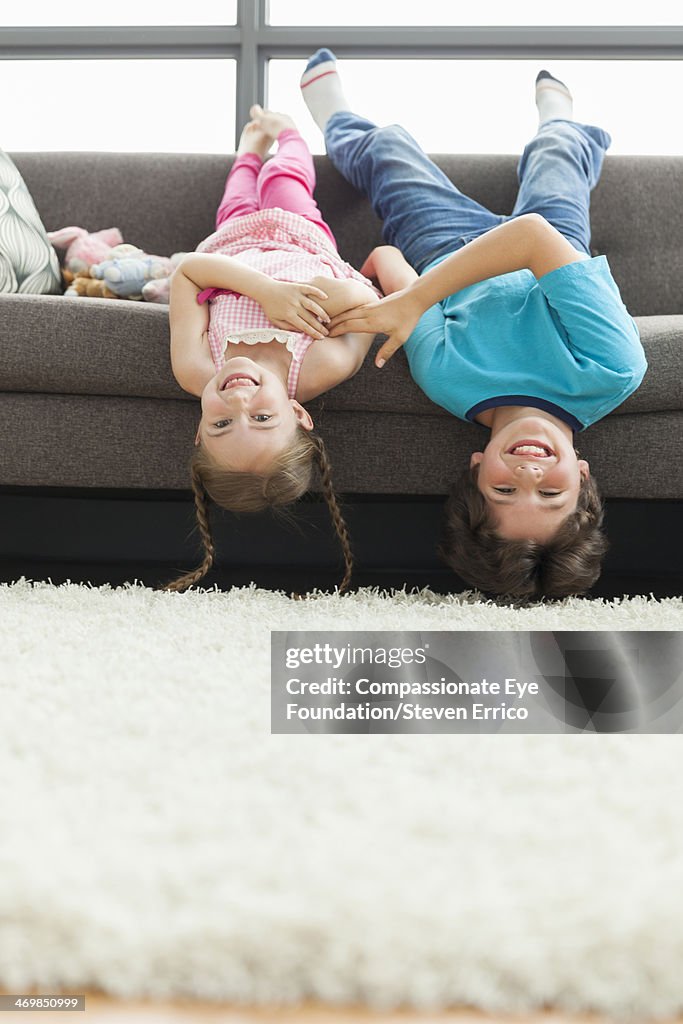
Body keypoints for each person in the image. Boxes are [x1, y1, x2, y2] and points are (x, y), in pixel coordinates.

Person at [300, 49, 648, 598]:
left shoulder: (448, 381)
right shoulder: (612, 370)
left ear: (477, 467)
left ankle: (336, 117)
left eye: (504, 491)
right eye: (550, 496)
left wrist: (387, 292)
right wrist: (414, 301)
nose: (529, 477)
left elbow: (388, 256)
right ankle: (563, 120)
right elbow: (533, 237)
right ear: (583, 477)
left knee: (389, 146)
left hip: (441, 242)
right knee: (557, 152)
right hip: (553, 243)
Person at [166, 106, 380, 593]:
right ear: (299, 414)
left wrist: (266, 292)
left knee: (239, 190)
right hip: (299, 235)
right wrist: (327, 295)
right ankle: (287, 132)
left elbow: (189, 274)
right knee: (286, 178)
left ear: (200, 430)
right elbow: (371, 304)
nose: (239, 404)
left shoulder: (196, 368)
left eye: (222, 424)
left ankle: (248, 148)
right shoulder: (322, 364)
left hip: (227, 246)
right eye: (263, 419)